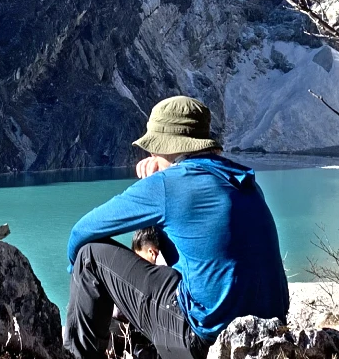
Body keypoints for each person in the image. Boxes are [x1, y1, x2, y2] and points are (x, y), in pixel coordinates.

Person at [64, 96, 289, 359]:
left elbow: (81, 232)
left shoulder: (168, 184)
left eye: (153, 147)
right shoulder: (243, 181)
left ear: (167, 147)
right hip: (267, 333)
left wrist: (78, 275)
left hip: (201, 340)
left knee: (89, 257)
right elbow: (186, 252)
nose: (150, 155)